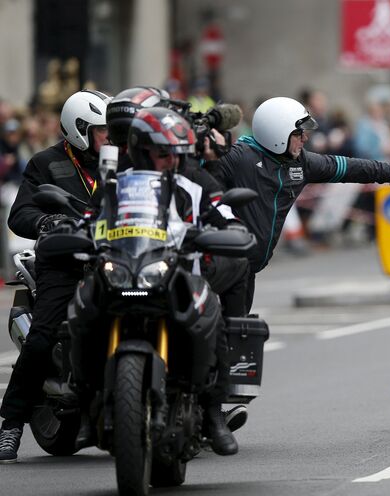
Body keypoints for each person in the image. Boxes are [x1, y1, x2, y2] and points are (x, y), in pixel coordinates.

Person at [204, 96, 390, 311]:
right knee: (210, 337)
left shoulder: (301, 162)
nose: (305, 138)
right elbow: (196, 171)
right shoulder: (238, 157)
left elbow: (351, 168)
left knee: (238, 342)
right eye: (298, 133)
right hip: (220, 264)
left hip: (248, 270)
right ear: (276, 133)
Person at [0, 90, 112, 463]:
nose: (110, 136)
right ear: (80, 129)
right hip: (66, 261)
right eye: (102, 130)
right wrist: (46, 220)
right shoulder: (46, 163)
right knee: (42, 336)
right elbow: (20, 214)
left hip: (117, 258)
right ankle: (11, 424)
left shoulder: (124, 162)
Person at [121, 106, 240, 455]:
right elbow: (93, 214)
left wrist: (232, 230)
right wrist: (73, 229)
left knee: (211, 319)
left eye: (176, 153)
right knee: (81, 308)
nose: (171, 161)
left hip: (181, 275)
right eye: (163, 153)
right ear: (142, 150)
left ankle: (214, 416)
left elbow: (223, 210)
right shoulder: (117, 180)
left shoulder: (197, 180)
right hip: (128, 268)